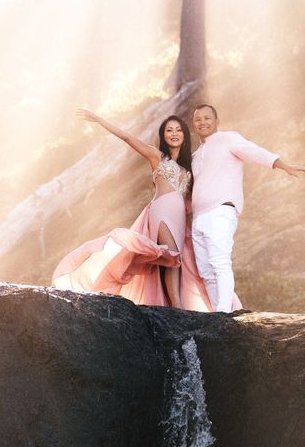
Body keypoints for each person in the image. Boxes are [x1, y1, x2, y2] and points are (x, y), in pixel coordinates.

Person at [51, 108, 213, 310]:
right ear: (163, 135)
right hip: (161, 210)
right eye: (169, 130)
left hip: (179, 216)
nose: (174, 134)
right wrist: (100, 119)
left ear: (184, 135)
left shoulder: (188, 167)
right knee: (172, 255)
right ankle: (177, 307)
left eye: (178, 130)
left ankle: (175, 306)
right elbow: (128, 138)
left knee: (177, 259)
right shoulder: (157, 157)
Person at [190, 103, 305, 312]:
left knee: (220, 263)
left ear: (217, 121)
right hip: (198, 218)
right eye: (198, 119)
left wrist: (284, 166)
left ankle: (224, 314)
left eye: (207, 118)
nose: (202, 122)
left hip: (221, 211)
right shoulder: (195, 155)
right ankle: (216, 316)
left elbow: (256, 152)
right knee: (206, 272)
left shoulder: (228, 139)